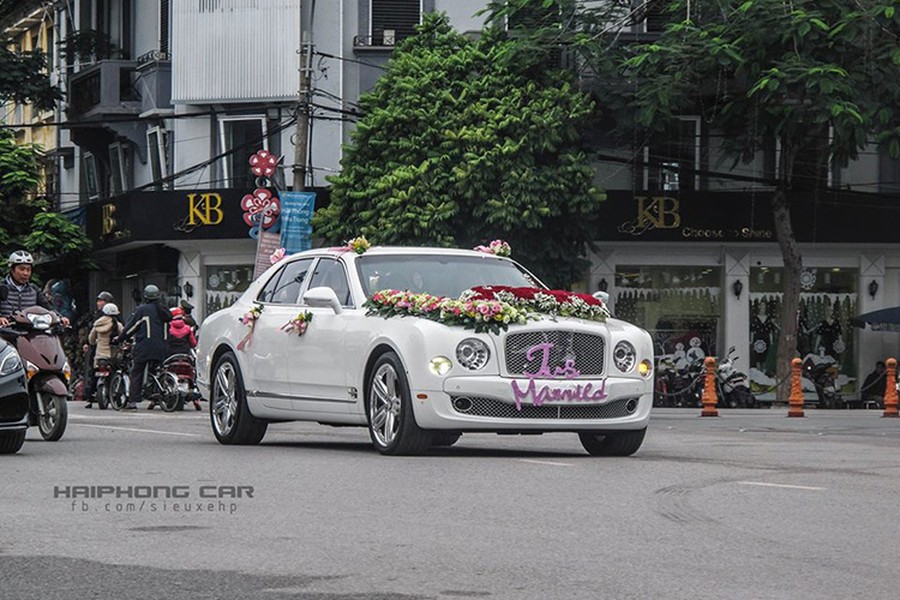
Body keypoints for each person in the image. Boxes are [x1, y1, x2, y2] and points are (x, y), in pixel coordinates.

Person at [116, 284, 171, 410]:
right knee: (156, 370)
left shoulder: (142, 310)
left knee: (137, 371)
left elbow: (131, 327)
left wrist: (120, 338)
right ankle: (155, 394)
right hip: (162, 347)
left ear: (145, 297)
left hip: (145, 347)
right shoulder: (164, 310)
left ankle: (133, 401)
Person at [0, 250, 70, 328]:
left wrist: (60, 317)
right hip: (5, 331)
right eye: (22, 269)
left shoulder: (34, 289)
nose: (25, 273)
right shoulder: (2, 287)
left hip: (30, 331)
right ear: (12, 270)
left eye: (28, 270)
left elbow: (47, 307)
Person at [86, 303, 124, 408]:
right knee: (117, 374)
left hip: (100, 356)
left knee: (94, 375)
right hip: (113, 356)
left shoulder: (97, 324)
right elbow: (124, 336)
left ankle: (90, 396)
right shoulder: (118, 325)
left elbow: (91, 339)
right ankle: (117, 396)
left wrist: (95, 342)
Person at [82, 291, 115, 406]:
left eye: (102, 301)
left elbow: (91, 334)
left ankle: (92, 396)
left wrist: (88, 342)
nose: (99, 303)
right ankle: (92, 394)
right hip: (106, 350)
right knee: (94, 372)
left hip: (100, 350)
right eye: (98, 301)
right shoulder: (97, 316)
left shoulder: (108, 318)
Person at [168, 306, 201, 411]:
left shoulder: (167, 328)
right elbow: (193, 343)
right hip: (185, 357)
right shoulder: (187, 328)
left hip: (170, 357)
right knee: (192, 373)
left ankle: (154, 400)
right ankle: (195, 399)